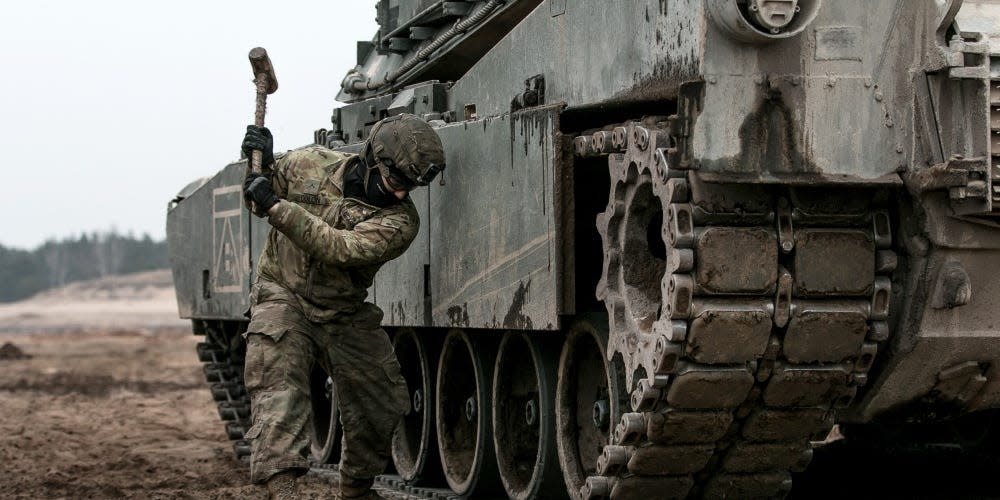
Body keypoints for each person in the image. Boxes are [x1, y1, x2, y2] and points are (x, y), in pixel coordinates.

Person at [240, 113, 446, 500]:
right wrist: (260, 163)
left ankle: (356, 489)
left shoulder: (400, 222)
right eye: (397, 181)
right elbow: (258, 196)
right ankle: (282, 491)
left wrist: (276, 206)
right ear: (372, 158)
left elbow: (340, 248)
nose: (402, 194)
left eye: (411, 187)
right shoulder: (308, 164)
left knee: (381, 401)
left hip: (341, 310)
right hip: (283, 293)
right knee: (279, 393)